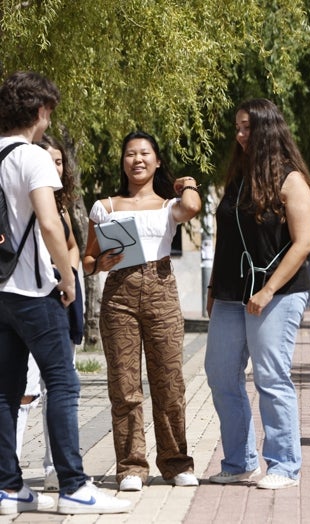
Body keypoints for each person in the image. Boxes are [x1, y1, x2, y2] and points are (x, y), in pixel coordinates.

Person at [0, 70, 130, 515]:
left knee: (5, 391)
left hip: (0, 293)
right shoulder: (32, 157)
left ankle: (8, 487)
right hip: (36, 291)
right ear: (40, 110)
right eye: (48, 112)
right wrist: (68, 276)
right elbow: (52, 223)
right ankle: (74, 486)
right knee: (62, 383)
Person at [205, 98, 310, 490]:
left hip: (278, 292)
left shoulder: (291, 180)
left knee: (270, 377)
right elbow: (226, 237)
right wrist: (213, 288)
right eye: (237, 127)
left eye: (247, 127)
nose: (240, 135)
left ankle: (284, 466)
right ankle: (239, 462)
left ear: (267, 129)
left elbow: (303, 244)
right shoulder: (236, 180)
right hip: (232, 293)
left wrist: (268, 290)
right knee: (220, 375)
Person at [82, 131, 201, 492]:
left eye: (145, 153)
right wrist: (100, 262)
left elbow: (193, 207)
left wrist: (189, 182)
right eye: (130, 154)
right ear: (123, 162)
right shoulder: (106, 206)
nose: (137, 160)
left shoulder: (170, 206)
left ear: (157, 161)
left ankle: (176, 462)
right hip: (119, 296)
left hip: (161, 292)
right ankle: (131, 467)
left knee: (169, 384)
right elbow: (87, 260)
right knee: (125, 388)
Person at [15, 134, 84, 493]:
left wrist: (67, 275)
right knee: (25, 389)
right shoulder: (19, 200)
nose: (55, 167)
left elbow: (71, 245)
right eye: (49, 161)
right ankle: (12, 470)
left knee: (56, 383)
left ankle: (55, 469)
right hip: (29, 299)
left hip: (61, 297)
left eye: (59, 161)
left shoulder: (60, 205)